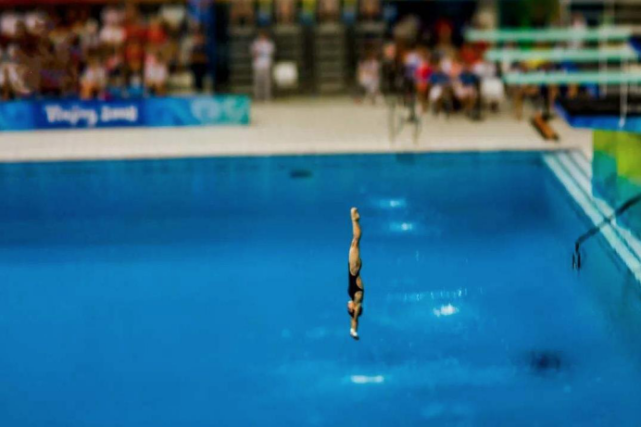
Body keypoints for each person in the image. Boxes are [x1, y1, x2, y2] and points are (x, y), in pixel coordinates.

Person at [347, 207, 364, 340]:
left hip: (354, 270)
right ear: (353, 309)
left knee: (355, 242)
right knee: (355, 241)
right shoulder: (357, 304)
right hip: (354, 270)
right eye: (348, 307)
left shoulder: (355, 299)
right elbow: (355, 319)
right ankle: (354, 219)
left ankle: (355, 220)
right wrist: (353, 330)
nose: (347, 304)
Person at [251, 30, 275, 102]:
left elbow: (270, 53)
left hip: (266, 65)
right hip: (258, 65)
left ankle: (267, 97)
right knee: (257, 82)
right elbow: (253, 54)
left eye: (263, 36)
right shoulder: (255, 43)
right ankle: (257, 97)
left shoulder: (269, 44)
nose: (262, 37)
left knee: (267, 83)